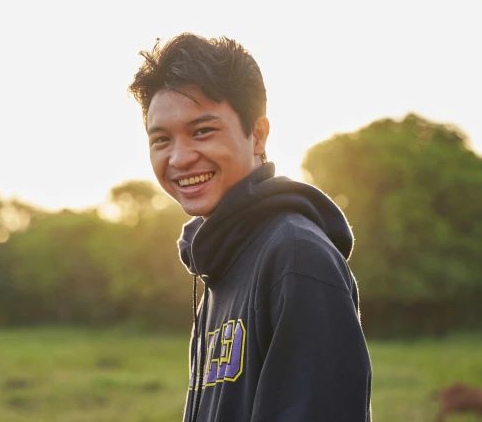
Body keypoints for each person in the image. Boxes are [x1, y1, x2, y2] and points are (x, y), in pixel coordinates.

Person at [128, 33, 373, 422]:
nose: (180, 157)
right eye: (161, 139)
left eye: (202, 131)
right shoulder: (218, 262)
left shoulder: (296, 256)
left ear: (257, 134)